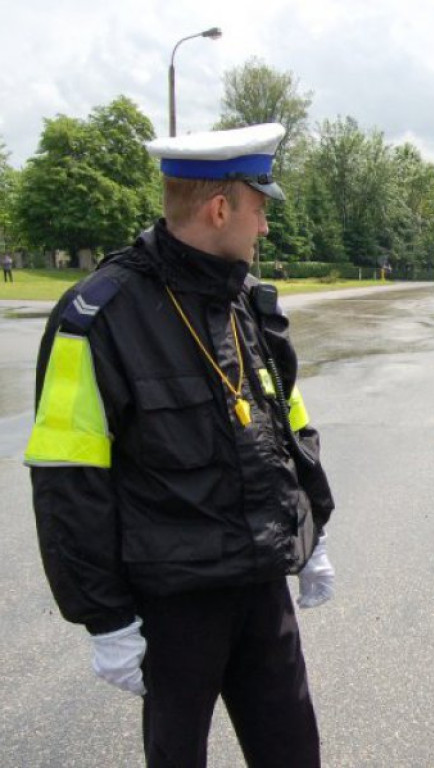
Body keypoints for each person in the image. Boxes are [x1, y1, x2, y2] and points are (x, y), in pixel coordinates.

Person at [25, 123, 336, 768]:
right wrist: (104, 617)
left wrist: (312, 530)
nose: (266, 227)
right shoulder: (98, 315)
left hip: (259, 583)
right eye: (260, 208)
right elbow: (67, 477)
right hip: (174, 601)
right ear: (221, 209)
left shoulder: (244, 299)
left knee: (294, 751)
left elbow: (284, 424)